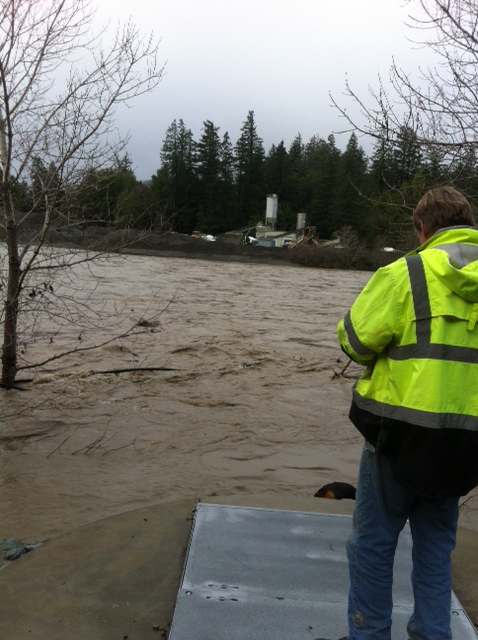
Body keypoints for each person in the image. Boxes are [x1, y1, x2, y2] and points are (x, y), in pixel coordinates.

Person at [337, 186, 478, 640]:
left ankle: (370, 634)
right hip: (464, 443)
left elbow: (354, 343)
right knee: (437, 549)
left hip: (397, 438)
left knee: (373, 545)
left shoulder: (406, 272)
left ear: (422, 229)